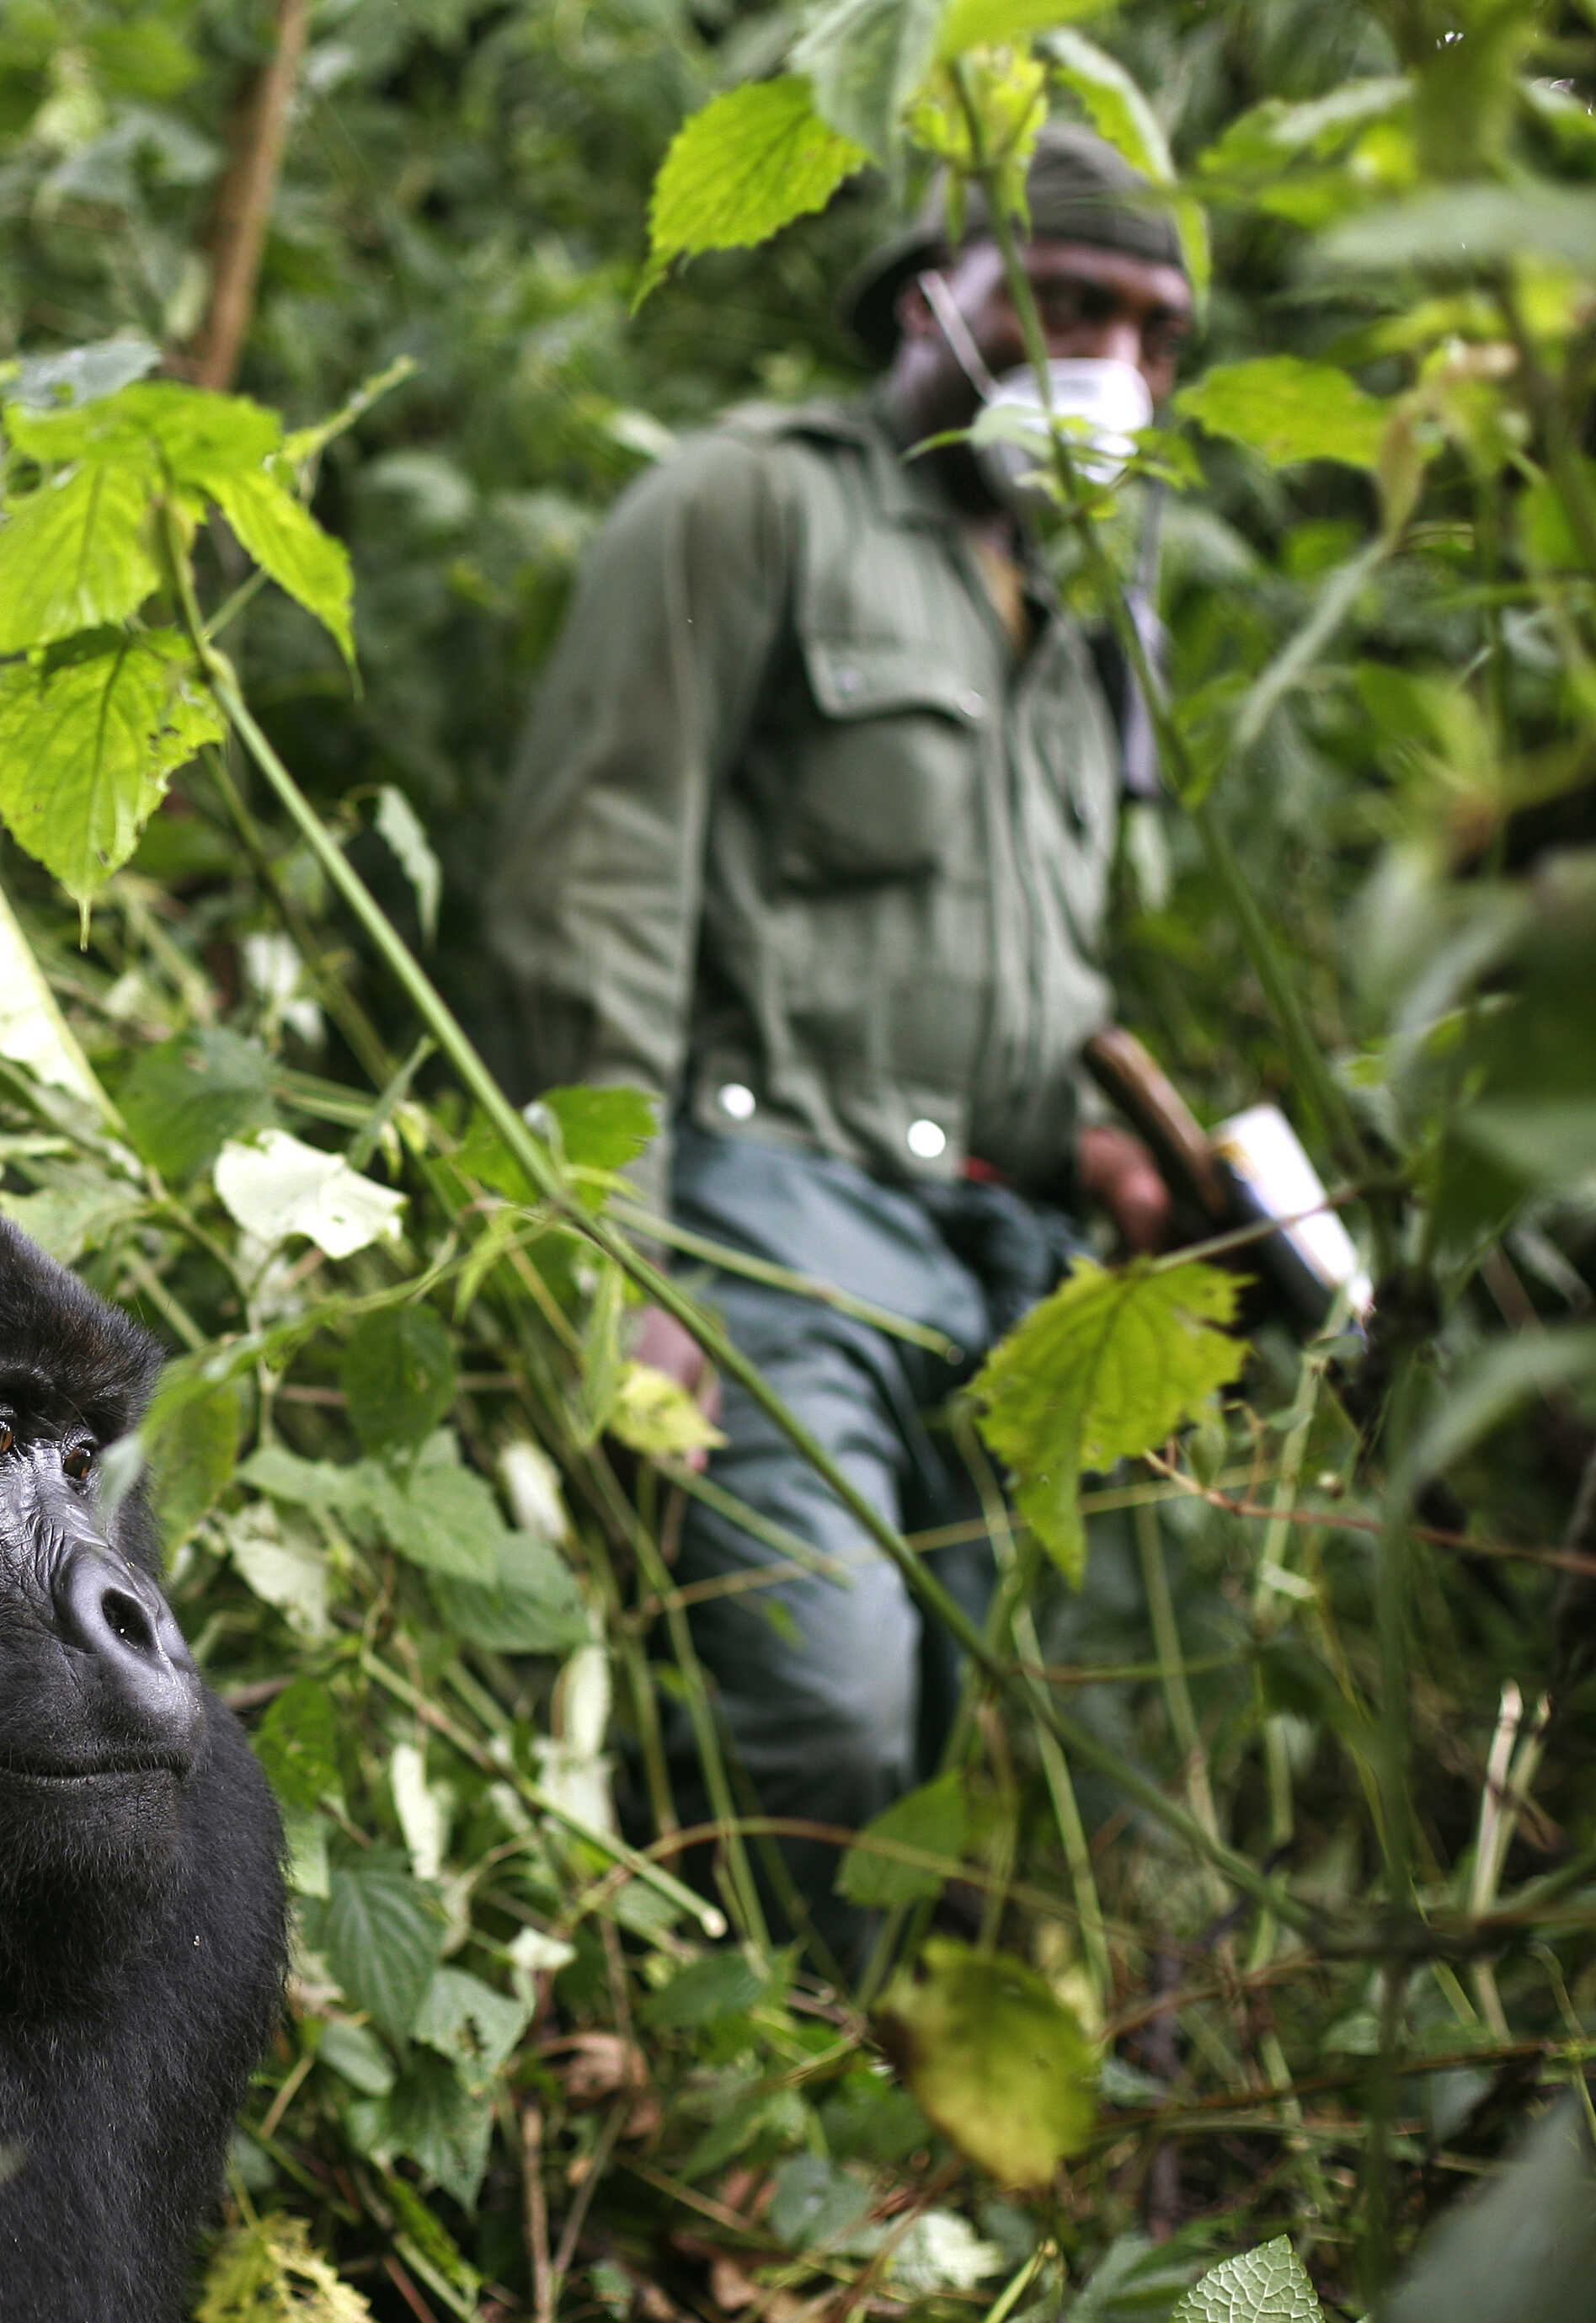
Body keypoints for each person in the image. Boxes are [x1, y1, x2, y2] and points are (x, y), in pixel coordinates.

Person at [484, 126, 1189, 1968]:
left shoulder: (1094, 599)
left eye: (1156, 330)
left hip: (1000, 1262)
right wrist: (608, 1258)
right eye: (1073, 301)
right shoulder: (752, 509)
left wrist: (1108, 1143)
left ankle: (816, 2151)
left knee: (968, 1758)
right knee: (826, 1717)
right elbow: (594, 886)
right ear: (929, 299)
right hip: (765, 1219)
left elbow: (1021, 944)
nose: (1111, 361)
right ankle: (705, 2121)